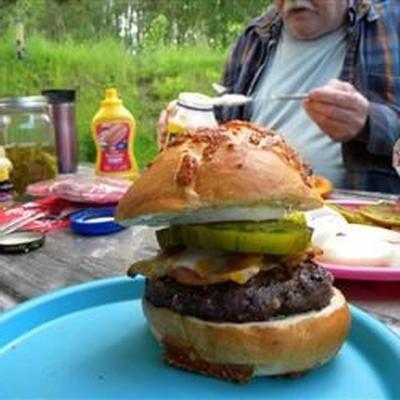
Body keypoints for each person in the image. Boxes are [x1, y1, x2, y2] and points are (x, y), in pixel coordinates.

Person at [158, 0, 400, 193]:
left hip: (365, 229)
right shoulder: (254, 37)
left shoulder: (391, 23)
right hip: (256, 211)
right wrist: (190, 128)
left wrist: (369, 121)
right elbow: (222, 127)